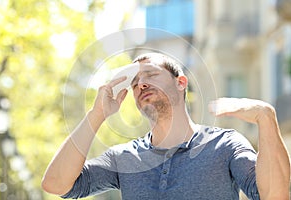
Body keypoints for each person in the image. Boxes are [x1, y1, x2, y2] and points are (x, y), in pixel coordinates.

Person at [42, 53, 290, 200]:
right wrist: (97, 115)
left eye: (150, 75)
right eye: (136, 82)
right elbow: (56, 184)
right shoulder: (124, 158)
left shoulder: (225, 145)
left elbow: (276, 196)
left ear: (181, 83)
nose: (141, 84)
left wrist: (265, 117)